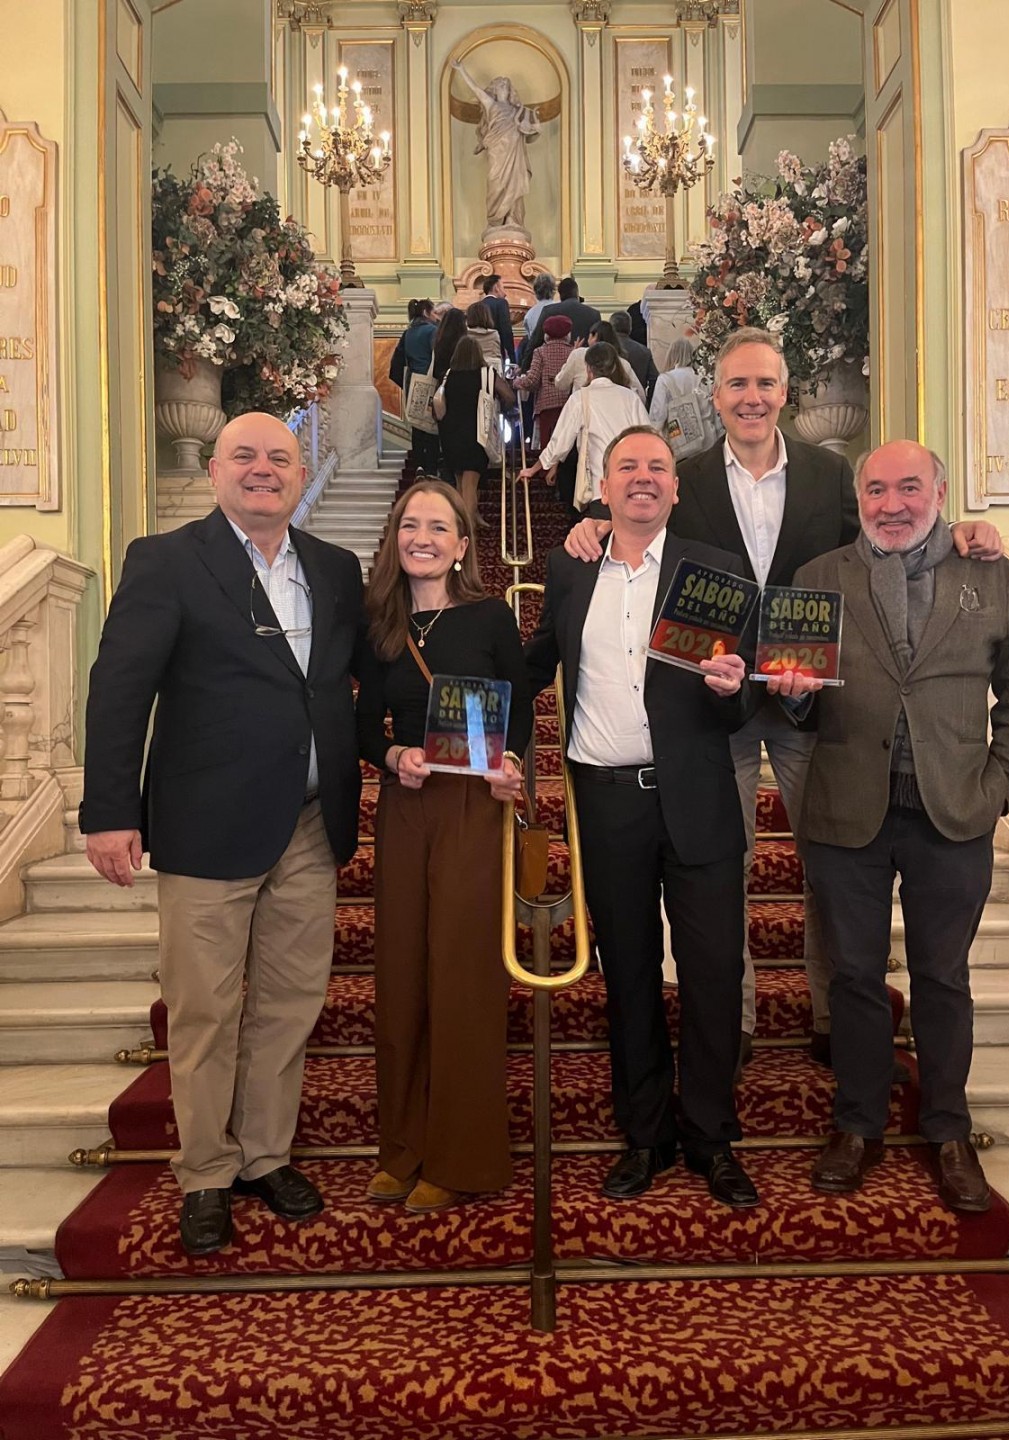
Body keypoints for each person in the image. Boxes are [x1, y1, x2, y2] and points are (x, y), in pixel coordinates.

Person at [562, 327, 1004, 1071]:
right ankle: (733, 1020)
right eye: (738, 384)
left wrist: (958, 530)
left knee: (831, 868)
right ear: (716, 396)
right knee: (720, 873)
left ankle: (833, 1012)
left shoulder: (832, 476)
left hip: (815, 703)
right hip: (715, 706)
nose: (752, 397)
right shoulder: (684, 477)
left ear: (785, 393)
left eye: (765, 383)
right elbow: (642, 530)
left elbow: (886, 540)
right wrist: (593, 525)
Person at [80, 412, 368, 1257]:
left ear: (302, 472)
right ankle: (206, 1171)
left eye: (280, 456)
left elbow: (355, 678)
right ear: (214, 471)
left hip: (309, 824)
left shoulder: (335, 568)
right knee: (205, 1008)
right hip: (207, 826)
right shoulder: (166, 561)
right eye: (244, 455)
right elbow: (119, 689)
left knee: (288, 1004)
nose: (262, 469)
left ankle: (265, 1155)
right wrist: (109, 810)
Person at [792, 440, 1009, 1211]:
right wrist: (792, 693)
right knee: (855, 978)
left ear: (939, 493)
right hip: (847, 810)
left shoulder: (990, 574)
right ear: (859, 499)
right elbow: (795, 702)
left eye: (909, 487)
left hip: (954, 811)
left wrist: (999, 789)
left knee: (943, 978)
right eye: (876, 490)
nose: (892, 504)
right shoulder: (817, 578)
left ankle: (948, 1129)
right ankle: (858, 1125)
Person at [524, 426, 758, 1209]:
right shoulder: (571, 564)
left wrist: (734, 689)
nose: (644, 478)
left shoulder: (714, 570)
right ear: (604, 485)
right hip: (608, 802)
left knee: (713, 973)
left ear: (676, 488)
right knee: (627, 973)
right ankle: (646, 1135)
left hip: (698, 799)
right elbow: (535, 664)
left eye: (658, 467)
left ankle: (711, 1136)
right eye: (628, 466)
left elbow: (744, 699)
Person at [356, 479, 531, 1212]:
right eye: (410, 525)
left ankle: (462, 1157)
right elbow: (362, 726)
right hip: (406, 805)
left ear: (462, 545)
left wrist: (509, 764)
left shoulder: (491, 617)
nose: (421, 538)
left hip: (470, 807)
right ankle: (402, 1148)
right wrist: (392, 756)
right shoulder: (380, 622)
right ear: (395, 538)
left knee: (461, 977)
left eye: (437, 527)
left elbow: (519, 716)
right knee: (401, 975)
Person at [519, 341, 649, 512]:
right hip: (632, 486)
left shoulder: (580, 398)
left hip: (600, 487)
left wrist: (533, 469)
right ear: (613, 368)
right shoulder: (631, 398)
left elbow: (559, 443)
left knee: (601, 527)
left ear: (588, 369)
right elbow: (649, 439)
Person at [433, 334, 514, 527]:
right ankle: (466, 531)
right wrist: (500, 405)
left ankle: (471, 518)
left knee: (461, 484)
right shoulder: (486, 374)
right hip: (477, 435)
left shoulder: (448, 375)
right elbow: (509, 396)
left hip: (450, 436)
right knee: (470, 486)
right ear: (478, 354)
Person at [452, 60, 540, 232]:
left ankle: (513, 218)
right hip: (497, 151)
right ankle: (496, 220)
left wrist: (534, 128)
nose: (503, 89)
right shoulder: (492, 105)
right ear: (495, 90)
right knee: (495, 182)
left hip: (514, 152)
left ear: (510, 91)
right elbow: (477, 91)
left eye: (506, 86)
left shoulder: (517, 111)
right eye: (500, 86)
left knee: (514, 183)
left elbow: (530, 132)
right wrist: (461, 70)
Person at [647, 337, 717, 462]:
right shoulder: (705, 377)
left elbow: (658, 416)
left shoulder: (665, 379)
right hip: (708, 439)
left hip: (680, 440)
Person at [513, 312, 573, 452]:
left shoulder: (540, 352)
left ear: (546, 334)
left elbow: (532, 380)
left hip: (546, 405)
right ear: (567, 334)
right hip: (568, 404)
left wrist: (517, 382)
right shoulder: (573, 352)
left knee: (546, 446)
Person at [391, 299, 439, 474]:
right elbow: (437, 356)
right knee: (431, 426)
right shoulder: (432, 331)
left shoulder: (408, 333)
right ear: (426, 312)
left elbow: (398, 360)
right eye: (434, 313)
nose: (436, 317)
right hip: (430, 380)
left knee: (417, 426)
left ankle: (419, 465)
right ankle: (431, 468)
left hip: (412, 382)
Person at [517, 276, 601, 370]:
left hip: (555, 368)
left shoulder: (549, 311)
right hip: (585, 367)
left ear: (560, 295)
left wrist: (523, 369)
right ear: (577, 293)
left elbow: (535, 342)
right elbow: (599, 345)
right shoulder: (594, 314)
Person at [554, 320, 646, 402]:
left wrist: (570, 357)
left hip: (584, 407)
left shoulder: (578, 355)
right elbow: (640, 396)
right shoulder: (623, 363)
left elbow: (561, 384)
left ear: (594, 336)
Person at [610, 310, 659, 406]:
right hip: (637, 401)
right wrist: (648, 403)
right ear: (630, 328)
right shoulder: (644, 351)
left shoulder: (606, 349)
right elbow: (654, 379)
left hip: (611, 402)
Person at [481, 273, 516, 363]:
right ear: (496, 288)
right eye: (503, 288)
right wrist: (513, 359)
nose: (505, 293)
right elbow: (506, 331)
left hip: (478, 355)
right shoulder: (501, 303)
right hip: (495, 354)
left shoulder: (475, 307)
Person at [465, 299, 503, 369]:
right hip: (490, 369)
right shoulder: (494, 334)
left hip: (470, 369)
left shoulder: (465, 334)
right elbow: (497, 356)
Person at [522, 272, 556, 339]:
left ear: (535, 291)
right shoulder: (560, 309)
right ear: (553, 290)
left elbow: (530, 339)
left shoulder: (529, 314)